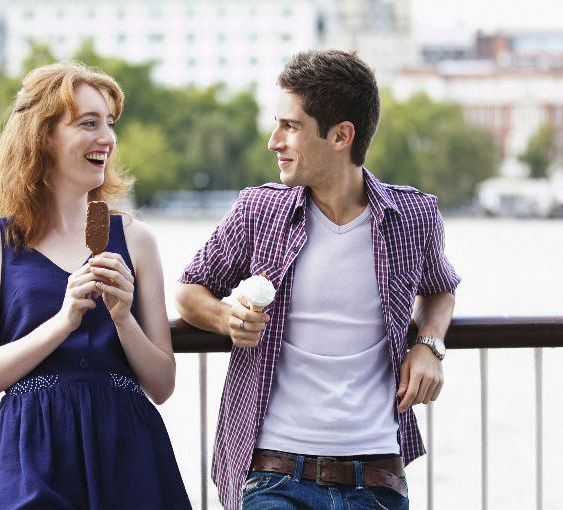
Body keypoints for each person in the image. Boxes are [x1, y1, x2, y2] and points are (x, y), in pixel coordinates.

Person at [176, 49, 460, 510]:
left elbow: (440, 287)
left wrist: (429, 345)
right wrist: (227, 318)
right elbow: (189, 290)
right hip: (272, 474)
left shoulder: (413, 216)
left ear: (341, 136)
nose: (274, 141)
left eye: (290, 126)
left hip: (376, 477)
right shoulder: (259, 210)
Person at [0, 62, 191, 510]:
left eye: (109, 123)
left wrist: (122, 318)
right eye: (88, 123)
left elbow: (162, 385)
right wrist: (63, 322)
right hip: (30, 457)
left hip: (128, 453)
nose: (107, 138)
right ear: (43, 136)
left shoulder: (136, 239)